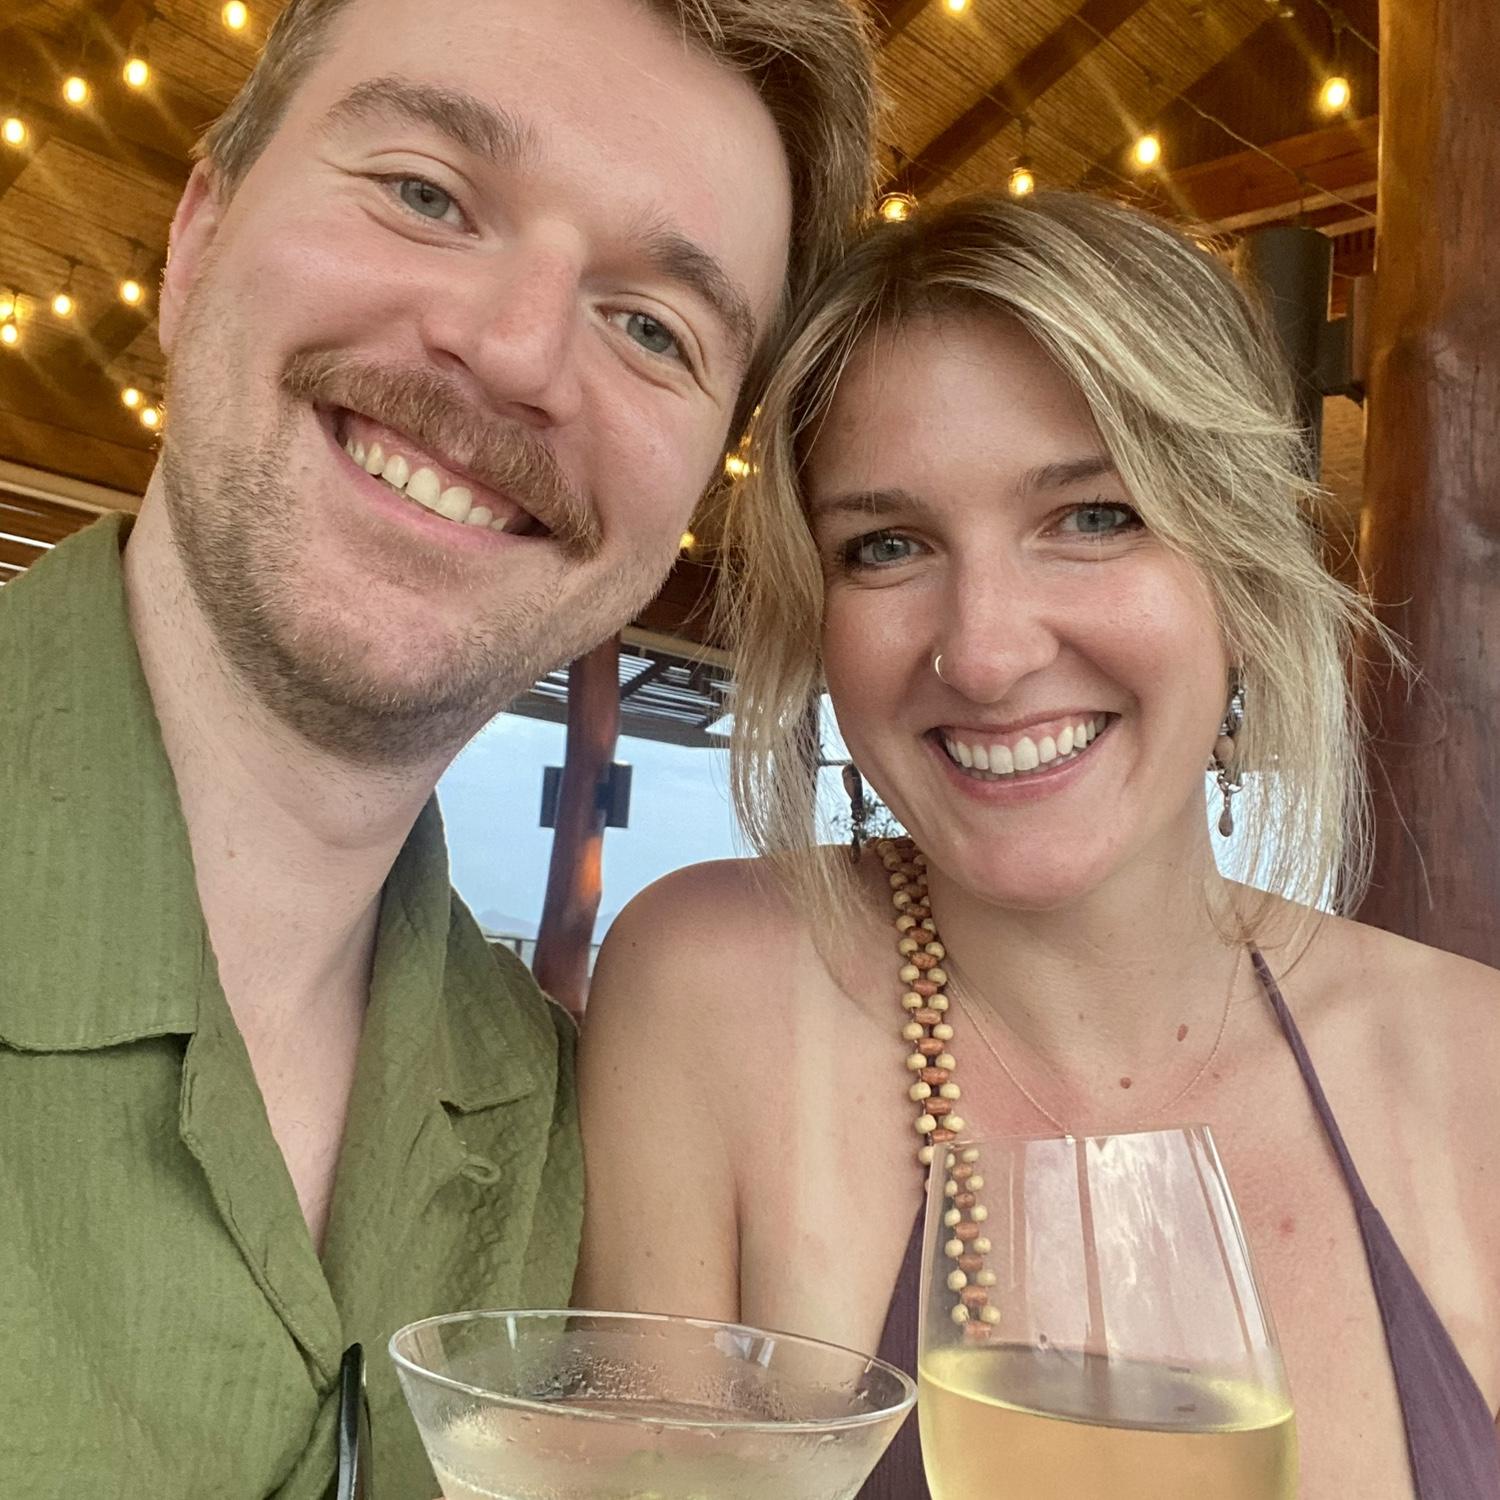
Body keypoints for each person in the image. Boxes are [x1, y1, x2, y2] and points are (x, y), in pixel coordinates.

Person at [0, 1, 877, 1494]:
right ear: (199, 238)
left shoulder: (589, 1147)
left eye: (652, 328)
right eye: (424, 192)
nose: (516, 349)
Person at [577, 192, 1500, 1499]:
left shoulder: (1477, 1068)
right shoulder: (710, 988)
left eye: (1094, 515)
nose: (986, 651)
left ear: (1240, 570)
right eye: (886, 545)